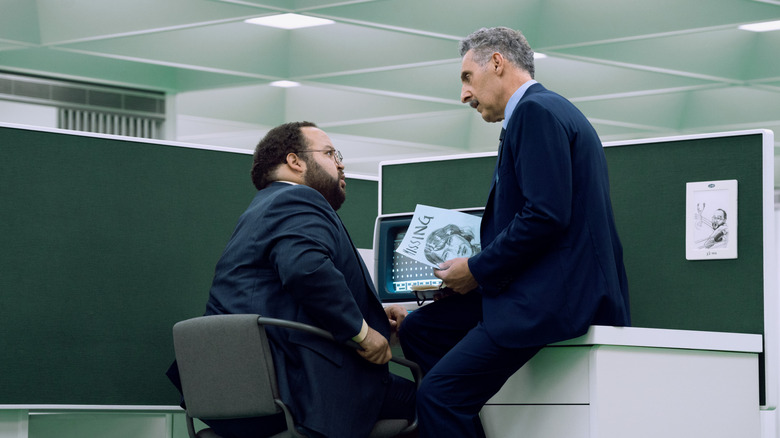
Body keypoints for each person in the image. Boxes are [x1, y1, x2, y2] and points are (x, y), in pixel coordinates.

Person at [398, 27, 631, 438]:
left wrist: (476, 269)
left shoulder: (535, 113)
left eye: (467, 78)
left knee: (439, 396)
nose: (464, 95)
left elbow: (545, 215)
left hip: (552, 299)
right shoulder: (550, 110)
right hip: (543, 287)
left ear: (498, 63)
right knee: (421, 329)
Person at [169, 121, 416, 438]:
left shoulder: (261, 209)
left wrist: (377, 321)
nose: (340, 163)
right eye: (329, 153)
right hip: (303, 393)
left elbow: (287, 301)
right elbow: (306, 270)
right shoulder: (298, 199)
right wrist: (362, 333)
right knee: (438, 400)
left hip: (238, 396)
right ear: (295, 161)